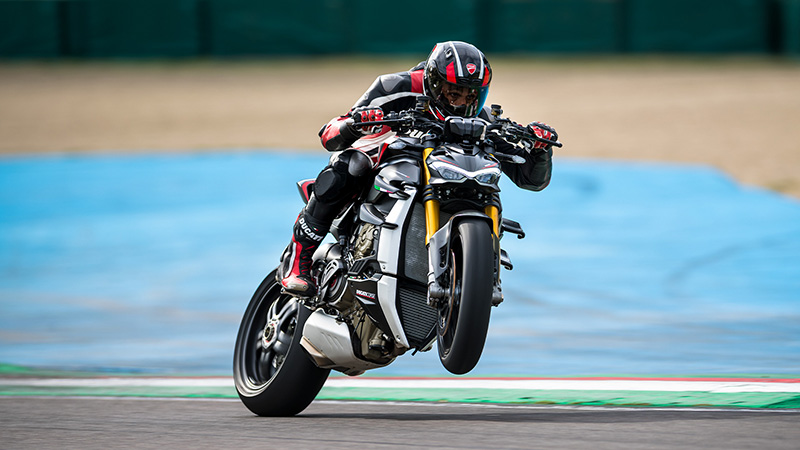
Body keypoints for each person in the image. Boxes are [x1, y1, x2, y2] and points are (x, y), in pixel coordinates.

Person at [278, 41, 558, 296]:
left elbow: (530, 180)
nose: (460, 103)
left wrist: (539, 150)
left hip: (444, 178)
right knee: (352, 163)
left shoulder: (481, 119)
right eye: (453, 93)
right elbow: (329, 135)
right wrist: (354, 123)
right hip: (390, 161)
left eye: (470, 95)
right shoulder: (394, 87)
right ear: (434, 83)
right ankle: (298, 260)